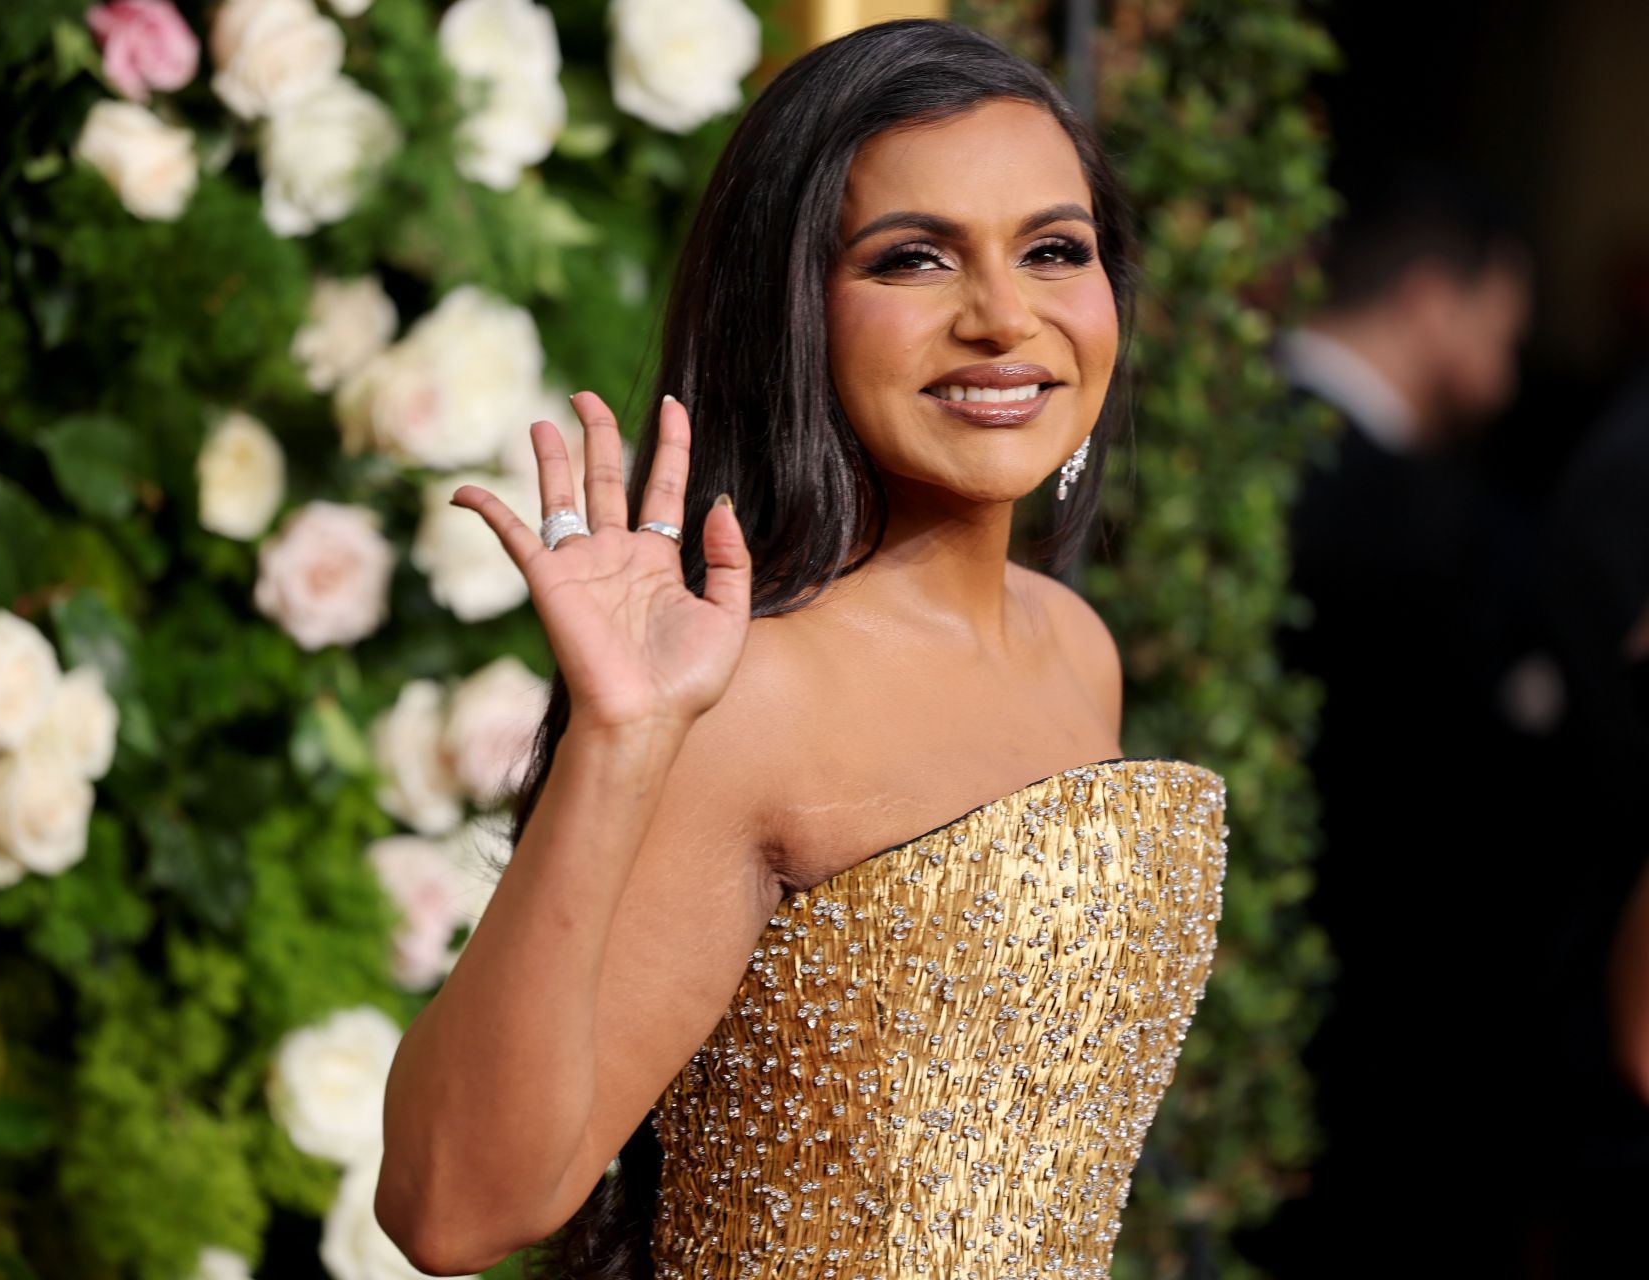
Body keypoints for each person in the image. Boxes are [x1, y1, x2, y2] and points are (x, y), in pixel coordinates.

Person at [376, 21, 1231, 1278]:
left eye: (1055, 249)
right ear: (795, 311)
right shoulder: (749, 696)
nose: (1004, 317)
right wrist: (620, 740)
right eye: (914, 260)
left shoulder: (1074, 646)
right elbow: (453, 1210)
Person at [1255, 178, 1542, 1277]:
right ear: (1433, 301)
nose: (1509, 376)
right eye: (1500, 330)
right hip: (1392, 1039)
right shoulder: (1432, 519)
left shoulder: (1207, 444)